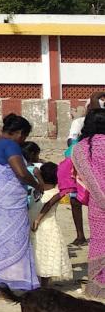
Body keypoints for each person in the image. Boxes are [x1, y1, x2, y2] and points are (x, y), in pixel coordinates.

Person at [0, 114, 40, 293]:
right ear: (19, 133)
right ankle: (9, 286)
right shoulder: (11, 145)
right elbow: (21, 172)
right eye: (24, 136)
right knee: (13, 242)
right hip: (7, 203)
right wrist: (37, 184)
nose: (23, 140)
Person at [70, 110, 105, 297]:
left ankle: (98, 289)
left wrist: (100, 198)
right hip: (99, 203)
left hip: (96, 205)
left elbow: (87, 178)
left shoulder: (80, 148)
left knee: (99, 243)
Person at [66, 93, 105, 246]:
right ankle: (80, 235)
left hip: (96, 199)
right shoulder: (79, 125)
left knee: (100, 241)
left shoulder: (81, 148)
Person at [30, 161, 73, 285]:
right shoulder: (58, 191)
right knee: (46, 255)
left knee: (36, 253)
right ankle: (44, 285)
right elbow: (48, 204)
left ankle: (36, 283)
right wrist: (38, 219)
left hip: (32, 223)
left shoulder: (36, 188)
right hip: (47, 226)